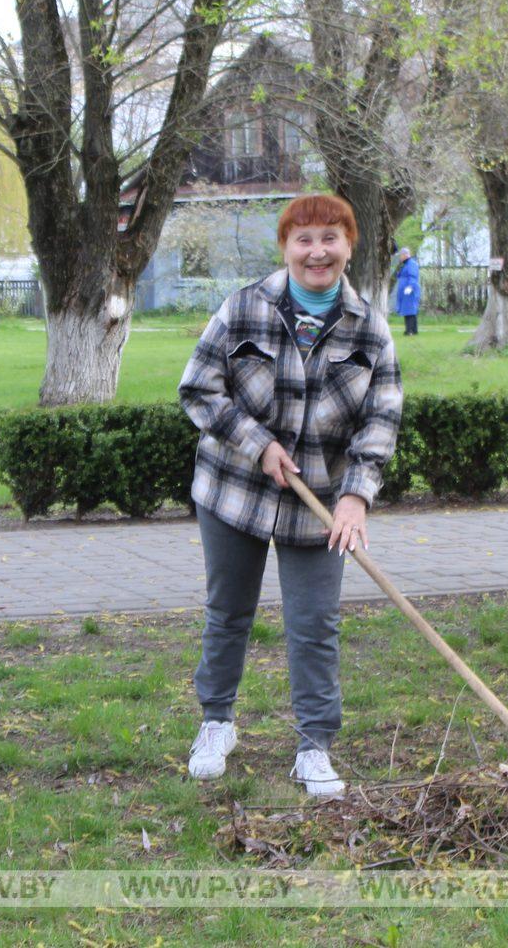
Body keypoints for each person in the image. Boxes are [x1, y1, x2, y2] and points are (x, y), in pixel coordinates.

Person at [178, 193, 403, 797]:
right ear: (286, 247)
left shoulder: (371, 331)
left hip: (321, 502)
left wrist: (356, 498)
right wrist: (256, 443)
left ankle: (314, 745)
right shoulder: (244, 307)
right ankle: (216, 722)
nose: (317, 251)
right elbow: (199, 389)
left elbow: (380, 422)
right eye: (303, 240)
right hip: (235, 489)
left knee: (314, 623)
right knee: (228, 612)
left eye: (330, 237)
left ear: (349, 246)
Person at [392, 247, 421, 336]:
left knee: (409, 310)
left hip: (409, 290)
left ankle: (410, 330)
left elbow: (412, 277)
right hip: (405, 291)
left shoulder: (411, 264)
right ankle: (413, 330)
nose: (400, 257)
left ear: (405, 255)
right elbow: (398, 275)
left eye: (401, 255)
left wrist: (410, 287)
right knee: (408, 310)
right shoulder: (405, 264)